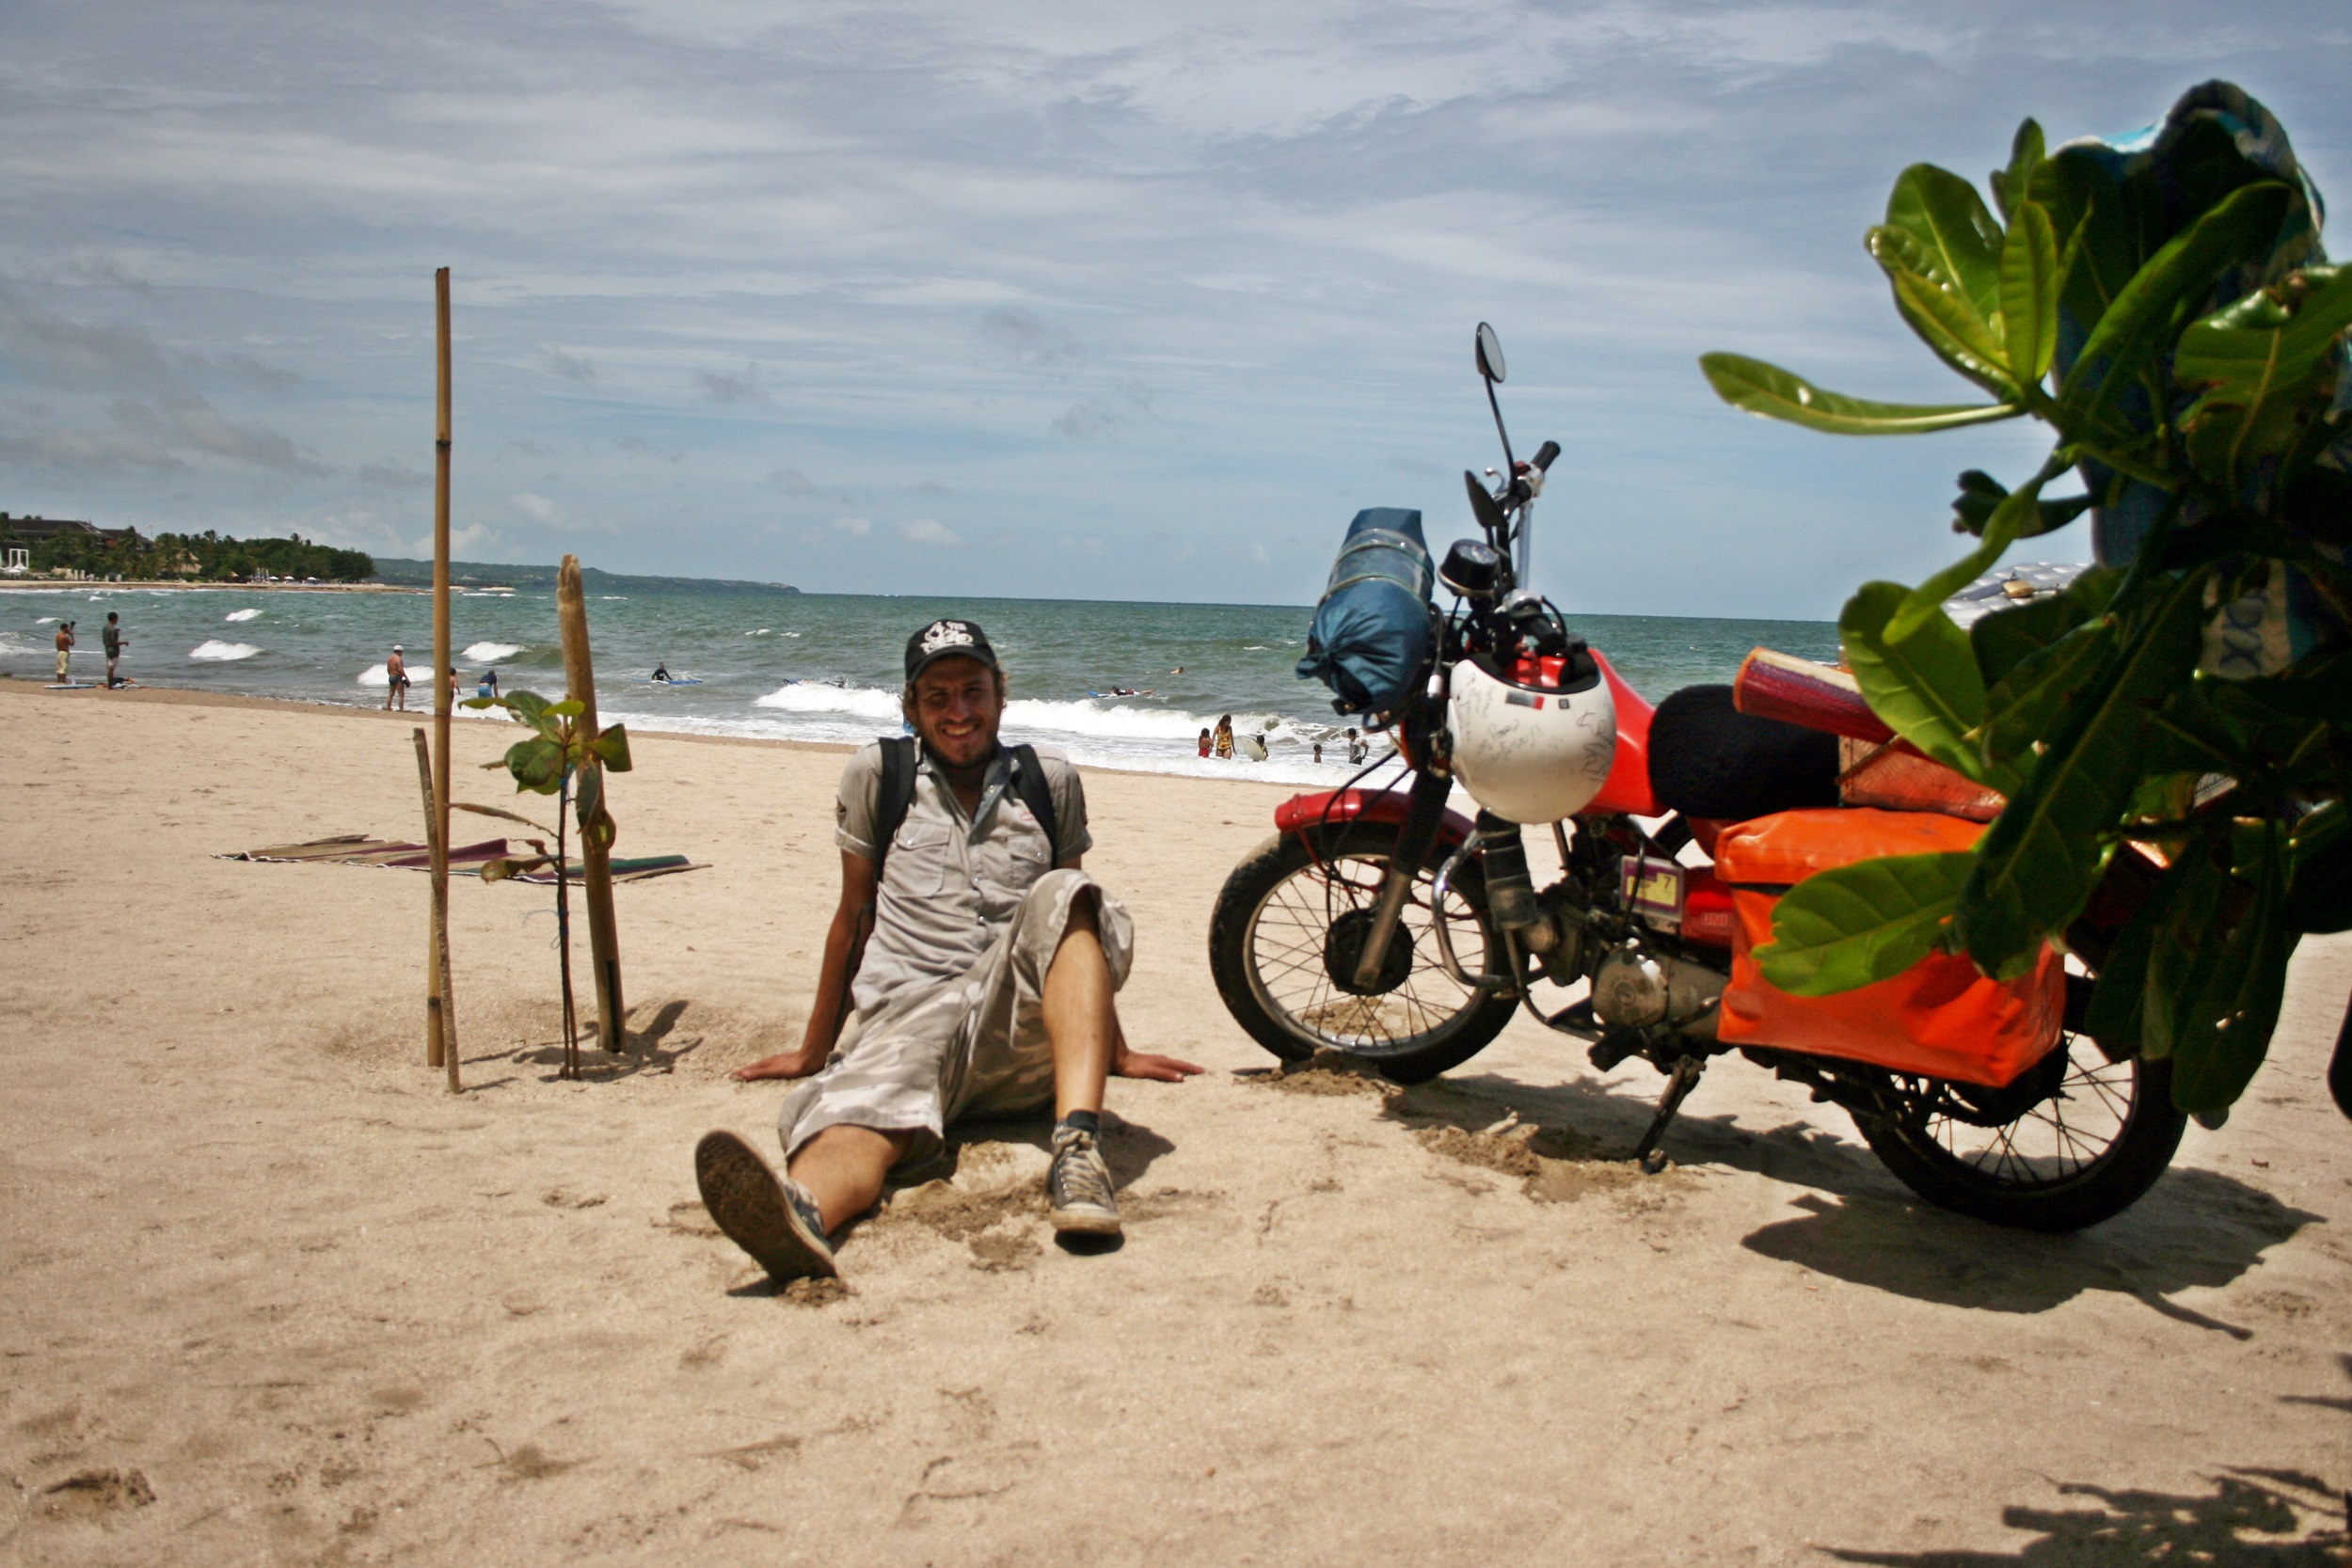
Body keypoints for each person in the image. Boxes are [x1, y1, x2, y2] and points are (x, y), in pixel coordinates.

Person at [697, 617, 1202, 1282]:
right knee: (857, 1116)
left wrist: (1117, 1051)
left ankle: (1077, 1151)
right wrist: (813, 1050)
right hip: (907, 1024)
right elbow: (853, 917)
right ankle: (803, 1215)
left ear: (1001, 694)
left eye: (974, 691)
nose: (959, 712)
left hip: (1018, 1043)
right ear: (911, 707)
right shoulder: (879, 775)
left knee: (1068, 889)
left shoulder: (1048, 780)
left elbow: (1073, 930)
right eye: (937, 697)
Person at [101, 612, 127, 689]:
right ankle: (110, 685)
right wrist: (124, 643)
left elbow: (108, 636)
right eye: (117, 618)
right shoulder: (112, 629)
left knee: (110, 667)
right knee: (111, 668)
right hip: (113, 650)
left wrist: (116, 631)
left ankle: (110, 685)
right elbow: (113, 642)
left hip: (107, 648)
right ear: (114, 618)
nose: (117, 620)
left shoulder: (105, 627)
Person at [384, 645, 408, 711]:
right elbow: (400, 670)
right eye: (402, 652)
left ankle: (388, 708)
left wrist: (390, 675)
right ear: (400, 651)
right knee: (401, 694)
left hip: (391, 676)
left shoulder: (390, 658)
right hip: (397, 677)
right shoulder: (398, 659)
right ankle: (401, 709)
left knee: (391, 694)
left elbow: (388, 669)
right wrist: (406, 679)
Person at [53, 621, 74, 685]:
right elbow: (72, 643)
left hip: (59, 652)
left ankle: (58, 680)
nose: (67, 629)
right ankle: (63, 681)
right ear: (64, 628)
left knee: (59, 667)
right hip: (64, 652)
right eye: (67, 628)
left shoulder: (58, 636)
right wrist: (72, 635)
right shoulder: (64, 637)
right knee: (64, 667)